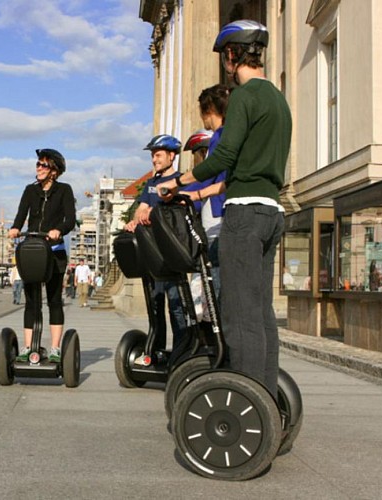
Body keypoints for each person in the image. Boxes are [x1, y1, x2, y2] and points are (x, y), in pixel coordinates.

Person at [158, 20, 292, 396]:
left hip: (245, 216)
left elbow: (227, 154)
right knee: (262, 314)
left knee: (238, 315)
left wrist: (180, 182)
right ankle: (264, 396)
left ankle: (245, 400)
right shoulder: (278, 99)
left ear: (232, 54)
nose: (225, 66)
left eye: (225, 57)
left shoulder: (245, 97)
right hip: (271, 211)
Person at [8, 148, 76, 363]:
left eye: (43, 165)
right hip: (33, 252)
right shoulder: (30, 190)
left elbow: (70, 220)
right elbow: (21, 215)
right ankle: (28, 347)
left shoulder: (64, 190)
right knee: (32, 301)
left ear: (54, 170)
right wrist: (15, 228)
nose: (38, 168)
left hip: (55, 253)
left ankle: (55, 348)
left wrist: (58, 231)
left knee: (54, 301)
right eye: (37, 164)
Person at [124, 134, 187, 364]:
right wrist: (135, 220)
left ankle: (180, 354)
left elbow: (179, 213)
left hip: (171, 253)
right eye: (152, 155)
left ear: (171, 156)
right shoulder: (151, 183)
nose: (154, 160)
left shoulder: (180, 182)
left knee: (177, 306)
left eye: (158, 155)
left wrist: (155, 213)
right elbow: (142, 209)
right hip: (151, 252)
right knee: (155, 304)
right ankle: (157, 351)